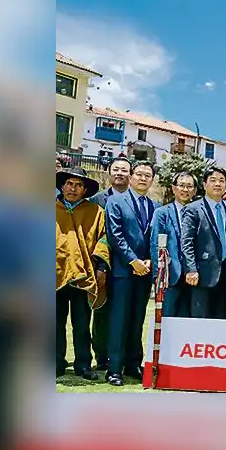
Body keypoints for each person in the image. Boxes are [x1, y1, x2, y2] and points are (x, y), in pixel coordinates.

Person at [104, 161, 158, 387]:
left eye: (148, 175)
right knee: (119, 321)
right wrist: (133, 261)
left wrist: (148, 261)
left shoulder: (155, 206)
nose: (143, 178)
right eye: (139, 174)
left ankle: (133, 363)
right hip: (124, 271)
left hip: (144, 272)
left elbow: (154, 237)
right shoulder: (116, 201)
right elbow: (115, 235)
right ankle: (114, 369)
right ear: (131, 177)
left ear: (152, 180)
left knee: (137, 320)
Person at [55, 167, 109, 380]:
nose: (73, 189)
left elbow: (104, 240)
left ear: (85, 189)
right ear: (62, 186)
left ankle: (83, 364)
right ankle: (56, 363)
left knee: (82, 324)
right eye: (69, 183)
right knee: (54, 323)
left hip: (83, 276)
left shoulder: (95, 213)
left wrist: (101, 268)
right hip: (55, 275)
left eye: (78, 185)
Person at [89, 156, 132, 371]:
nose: (120, 173)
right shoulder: (96, 200)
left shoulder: (136, 200)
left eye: (124, 170)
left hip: (129, 268)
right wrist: (99, 265)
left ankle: (123, 357)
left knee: (126, 314)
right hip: (102, 267)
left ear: (130, 175)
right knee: (102, 313)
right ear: (109, 172)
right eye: (116, 169)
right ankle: (101, 357)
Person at [180, 167, 226, 320]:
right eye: (213, 180)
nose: (218, 184)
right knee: (200, 321)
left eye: (221, 181)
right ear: (204, 184)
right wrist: (190, 269)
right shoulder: (193, 209)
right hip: (202, 275)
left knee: (221, 321)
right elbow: (186, 242)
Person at [149, 172, 196, 318]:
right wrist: (158, 276)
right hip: (169, 276)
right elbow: (155, 244)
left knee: (188, 321)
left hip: (193, 277)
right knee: (166, 319)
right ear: (173, 188)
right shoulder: (162, 213)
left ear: (194, 191)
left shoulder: (198, 212)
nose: (185, 190)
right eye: (182, 185)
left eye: (189, 186)